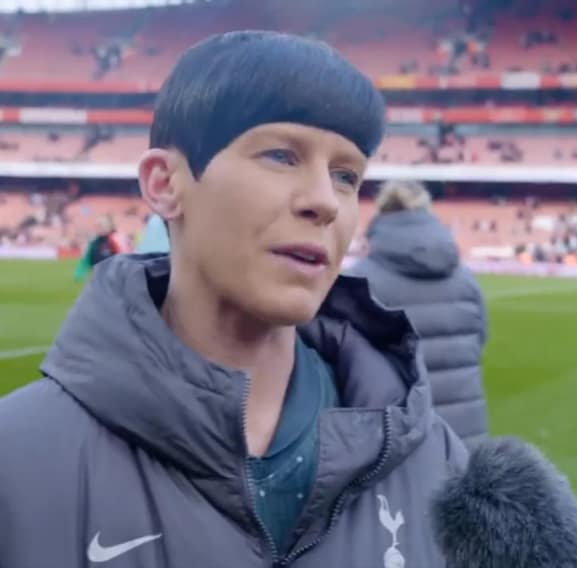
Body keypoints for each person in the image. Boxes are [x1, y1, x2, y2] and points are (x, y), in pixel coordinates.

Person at [0, 32, 467, 567]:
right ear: (164, 184)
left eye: (346, 176)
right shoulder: (16, 463)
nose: (326, 201)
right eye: (281, 156)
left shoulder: (439, 465)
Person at [347, 180, 488, 449]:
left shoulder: (359, 281)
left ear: (381, 212)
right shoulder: (467, 280)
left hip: (399, 442)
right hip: (465, 439)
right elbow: (479, 341)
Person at [73, 213, 124, 281]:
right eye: (97, 226)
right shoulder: (93, 243)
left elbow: (119, 258)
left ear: (107, 227)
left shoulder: (112, 241)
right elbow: (87, 260)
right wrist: (79, 272)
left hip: (109, 276)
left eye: (100, 226)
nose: (98, 228)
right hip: (96, 276)